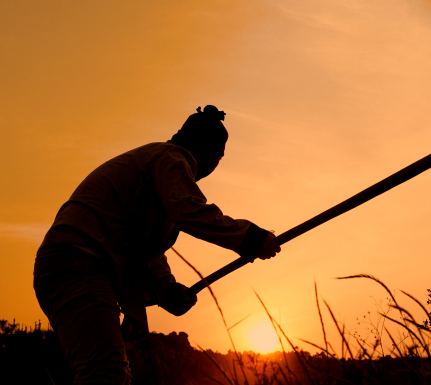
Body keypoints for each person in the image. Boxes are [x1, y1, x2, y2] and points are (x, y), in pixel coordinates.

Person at [33, 105, 281, 384]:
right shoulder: (172, 159)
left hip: (73, 265)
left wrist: (166, 288)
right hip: (77, 263)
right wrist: (252, 238)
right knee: (104, 374)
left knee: (109, 374)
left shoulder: (158, 166)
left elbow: (144, 246)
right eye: (219, 158)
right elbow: (189, 210)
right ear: (214, 153)